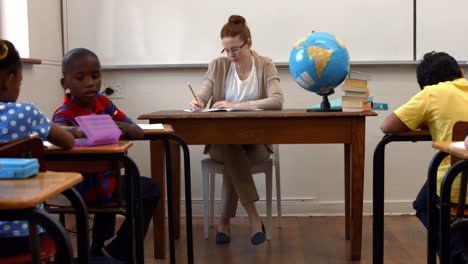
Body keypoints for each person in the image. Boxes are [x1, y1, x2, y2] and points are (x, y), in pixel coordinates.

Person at [53, 48, 160, 263]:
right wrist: (78, 131)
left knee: (150, 189)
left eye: (95, 76)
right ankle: (110, 252)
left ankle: (114, 250)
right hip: (80, 186)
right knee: (135, 188)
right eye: (80, 77)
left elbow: (136, 131)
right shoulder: (65, 113)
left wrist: (116, 125)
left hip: (106, 182)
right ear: (65, 83)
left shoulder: (104, 103)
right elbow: (57, 130)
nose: (90, 83)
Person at [189, 15, 283, 245]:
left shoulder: (265, 65)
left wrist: (237, 106)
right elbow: (204, 93)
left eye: (235, 49)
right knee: (231, 146)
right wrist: (198, 102)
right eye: (226, 50)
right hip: (221, 144)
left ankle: (223, 221)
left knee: (235, 158)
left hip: (257, 145)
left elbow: (277, 100)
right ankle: (253, 218)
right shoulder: (218, 66)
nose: (230, 55)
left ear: (249, 43)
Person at [381, 51, 468, 263]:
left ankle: (458, 253)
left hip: (458, 185)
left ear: (424, 85)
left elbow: (388, 126)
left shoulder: (432, 94)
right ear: (461, 72)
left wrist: (428, 118)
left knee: (423, 204)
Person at [0, 39, 75, 256]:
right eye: (20, 83)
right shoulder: (25, 113)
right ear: (9, 80)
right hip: (24, 233)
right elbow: (67, 142)